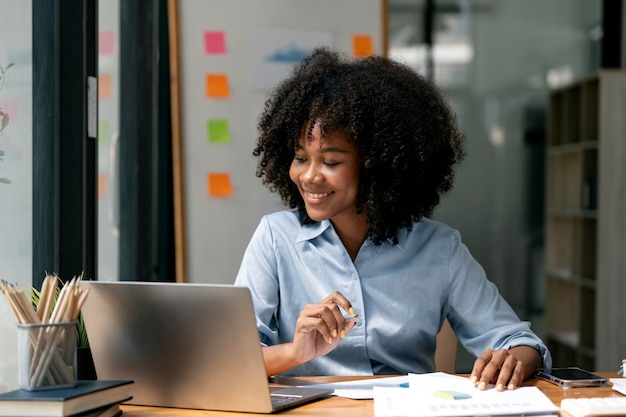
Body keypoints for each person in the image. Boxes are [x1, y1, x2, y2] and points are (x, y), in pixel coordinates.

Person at [234, 47, 551, 391]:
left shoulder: (438, 247)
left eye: (330, 162)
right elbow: (232, 356)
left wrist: (513, 359)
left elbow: (518, 340)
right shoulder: (275, 237)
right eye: (300, 157)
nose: (309, 176)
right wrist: (296, 352)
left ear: (377, 165)